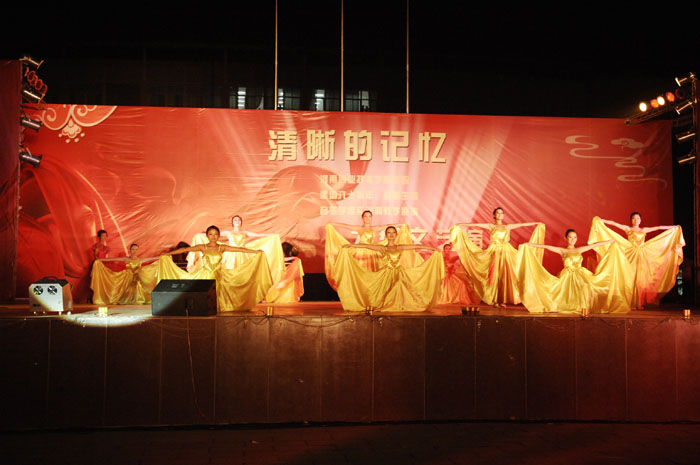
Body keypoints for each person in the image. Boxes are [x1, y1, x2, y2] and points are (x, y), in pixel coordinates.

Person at [158, 225, 273, 312]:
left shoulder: (221, 247)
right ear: (207, 236)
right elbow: (184, 250)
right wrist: (168, 254)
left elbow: (239, 249)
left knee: (221, 293)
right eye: (211, 234)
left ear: (218, 236)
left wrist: (255, 251)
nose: (213, 237)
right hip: (205, 274)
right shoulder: (203, 247)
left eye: (215, 234)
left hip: (219, 275)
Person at [518, 229, 632, 314]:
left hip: (581, 274)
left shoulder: (579, 249)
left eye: (575, 237)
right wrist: (529, 244)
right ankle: (575, 308)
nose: (573, 239)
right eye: (570, 237)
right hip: (567, 276)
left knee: (588, 285)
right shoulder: (562, 251)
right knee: (557, 291)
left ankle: (585, 309)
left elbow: (595, 244)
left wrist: (610, 241)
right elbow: (546, 246)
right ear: (566, 238)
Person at [334, 226, 444, 312]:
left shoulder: (400, 247)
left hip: (399, 273)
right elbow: (365, 246)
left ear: (396, 234)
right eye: (389, 233)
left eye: (393, 232)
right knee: (383, 293)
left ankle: (399, 306)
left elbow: (416, 246)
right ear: (386, 235)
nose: (391, 234)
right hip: (386, 274)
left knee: (401, 288)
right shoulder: (382, 248)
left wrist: (433, 248)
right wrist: (349, 246)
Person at [450, 207, 545, 307]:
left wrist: (536, 223)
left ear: (503, 215)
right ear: (494, 215)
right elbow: (477, 224)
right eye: (498, 213)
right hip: (495, 252)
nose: (500, 215)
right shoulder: (491, 226)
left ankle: (502, 300)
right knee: (495, 276)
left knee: (505, 275)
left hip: (506, 252)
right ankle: (495, 300)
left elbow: (521, 224)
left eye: (501, 213)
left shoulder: (507, 227)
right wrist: (461, 224)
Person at [588, 214, 684, 309]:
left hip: (642, 255)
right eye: (633, 218)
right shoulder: (627, 229)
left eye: (637, 218)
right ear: (631, 220)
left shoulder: (644, 230)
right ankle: (629, 303)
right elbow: (614, 223)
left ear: (640, 220)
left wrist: (673, 227)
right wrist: (602, 220)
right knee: (630, 278)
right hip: (630, 254)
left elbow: (658, 227)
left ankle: (638, 303)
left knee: (639, 280)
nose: (635, 220)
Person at [325, 210, 415, 290]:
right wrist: (332, 224)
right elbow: (346, 226)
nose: (367, 218)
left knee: (373, 271)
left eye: (369, 216)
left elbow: (387, 226)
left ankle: (373, 292)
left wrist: (401, 225)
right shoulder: (359, 228)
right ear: (362, 218)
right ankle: (361, 291)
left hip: (372, 251)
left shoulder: (374, 228)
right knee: (361, 271)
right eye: (366, 216)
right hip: (361, 251)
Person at [188, 215, 285, 284]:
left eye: (239, 220)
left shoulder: (244, 232)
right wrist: (200, 235)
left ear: (241, 222)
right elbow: (214, 234)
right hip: (231, 254)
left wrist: (271, 235)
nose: (237, 221)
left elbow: (258, 235)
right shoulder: (228, 232)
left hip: (242, 254)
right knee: (230, 272)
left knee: (244, 273)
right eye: (235, 220)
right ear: (232, 223)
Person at [90, 243, 159, 305]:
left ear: (138, 250)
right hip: (128, 279)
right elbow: (112, 259)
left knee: (140, 286)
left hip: (137, 279)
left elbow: (152, 258)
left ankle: (139, 298)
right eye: (133, 249)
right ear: (130, 250)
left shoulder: (140, 259)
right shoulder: (126, 259)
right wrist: (99, 259)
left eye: (136, 249)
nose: (134, 251)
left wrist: (162, 257)